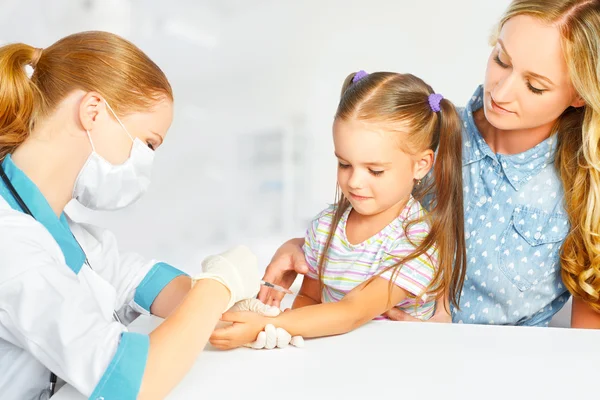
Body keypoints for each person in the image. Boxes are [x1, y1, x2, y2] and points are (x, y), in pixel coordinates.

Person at [258, 0, 600, 331]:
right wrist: (301, 249)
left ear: (579, 94)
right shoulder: (426, 134)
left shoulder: (587, 188)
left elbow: (586, 351)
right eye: (501, 59)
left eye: (534, 86)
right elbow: (363, 232)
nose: (502, 91)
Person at [0, 31, 272, 400]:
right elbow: (131, 381)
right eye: (148, 143)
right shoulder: (11, 245)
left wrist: (232, 307)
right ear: (93, 111)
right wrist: (218, 286)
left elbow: (132, 279)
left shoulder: (53, 224)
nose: (146, 162)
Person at [209, 70, 466, 349]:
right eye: (344, 164)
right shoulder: (325, 226)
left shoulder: (417, 240)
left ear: (421, 165)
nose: (354, 181)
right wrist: (283, 328)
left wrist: (268, 324)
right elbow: (309, 299)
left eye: (375, 170)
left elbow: (352, 312)